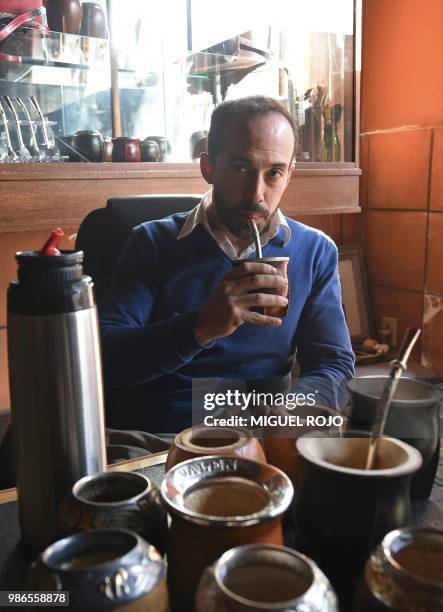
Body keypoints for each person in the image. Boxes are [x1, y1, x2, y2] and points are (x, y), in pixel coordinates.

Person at [99, 95, 355, 433]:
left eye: (274, 173)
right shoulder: (151, 243)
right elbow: (106, 360)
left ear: (290, 174)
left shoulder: (316, 251)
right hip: (160, 438)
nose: (256, 194)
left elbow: (333, 365)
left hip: (263, 436)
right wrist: (201, 325)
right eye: (240, 168)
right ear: (209, 168)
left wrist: (291, 411)